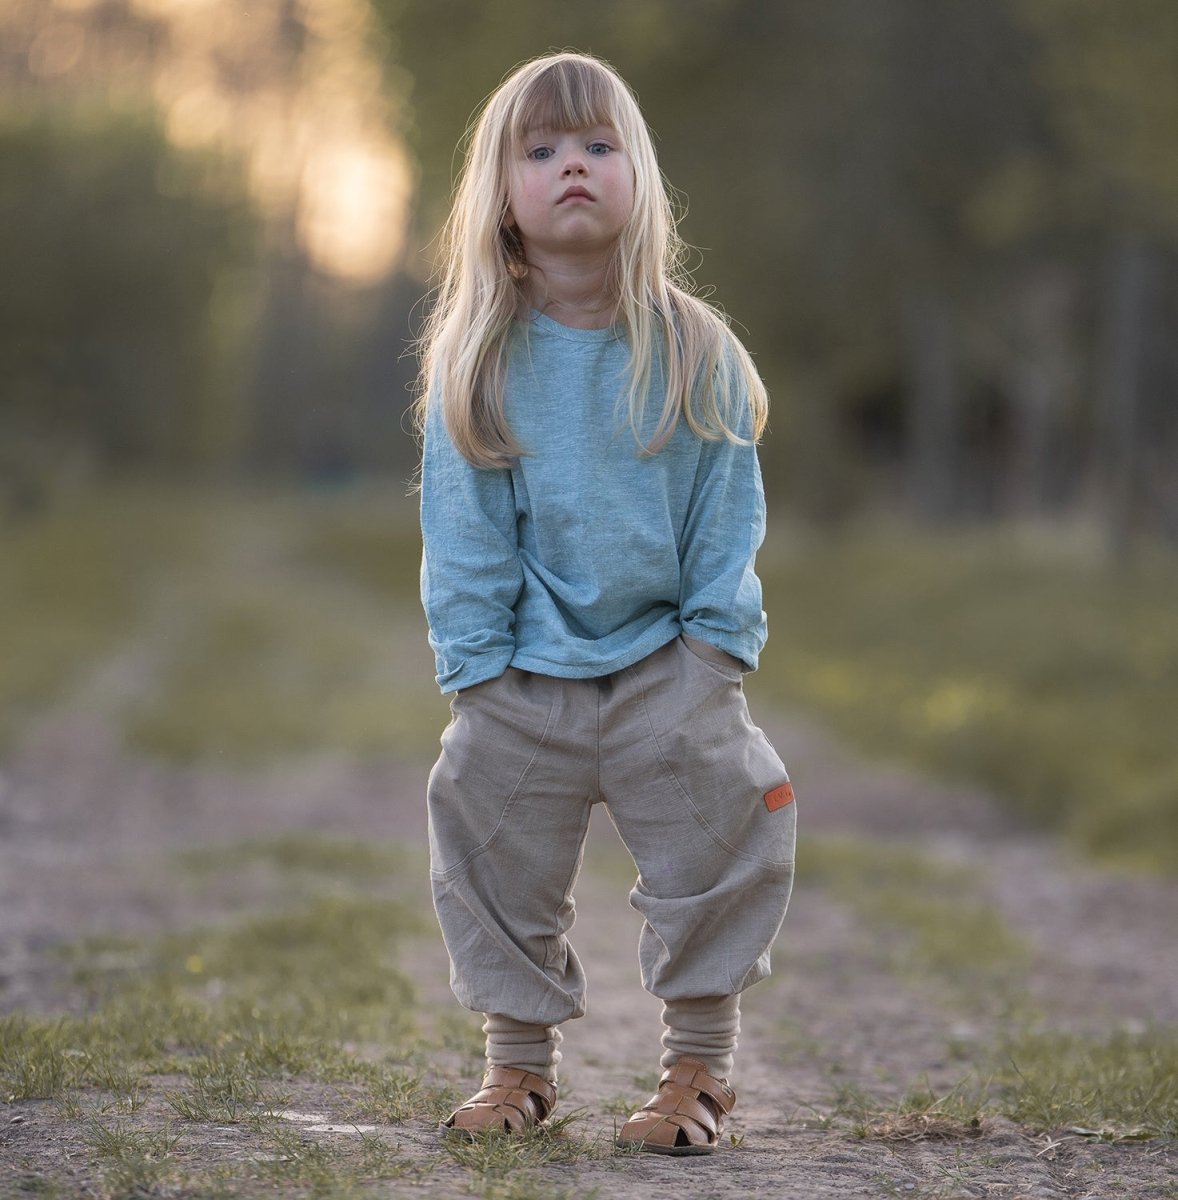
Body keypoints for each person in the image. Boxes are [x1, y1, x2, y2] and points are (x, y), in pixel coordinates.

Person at [415, 50, 795, 1157]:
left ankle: (696, 1069)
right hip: (522, 675)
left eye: (595, 145)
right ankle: (516, 1067)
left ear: (639, 179)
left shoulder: (692, 350)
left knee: (723, 831)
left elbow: (728, 515)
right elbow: (464, 535)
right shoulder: (478, 359)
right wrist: (478, 670)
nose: (570, 166)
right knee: (485, 837)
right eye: (539, 151)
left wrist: (712, 654)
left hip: (666, 667)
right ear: (501, 194)